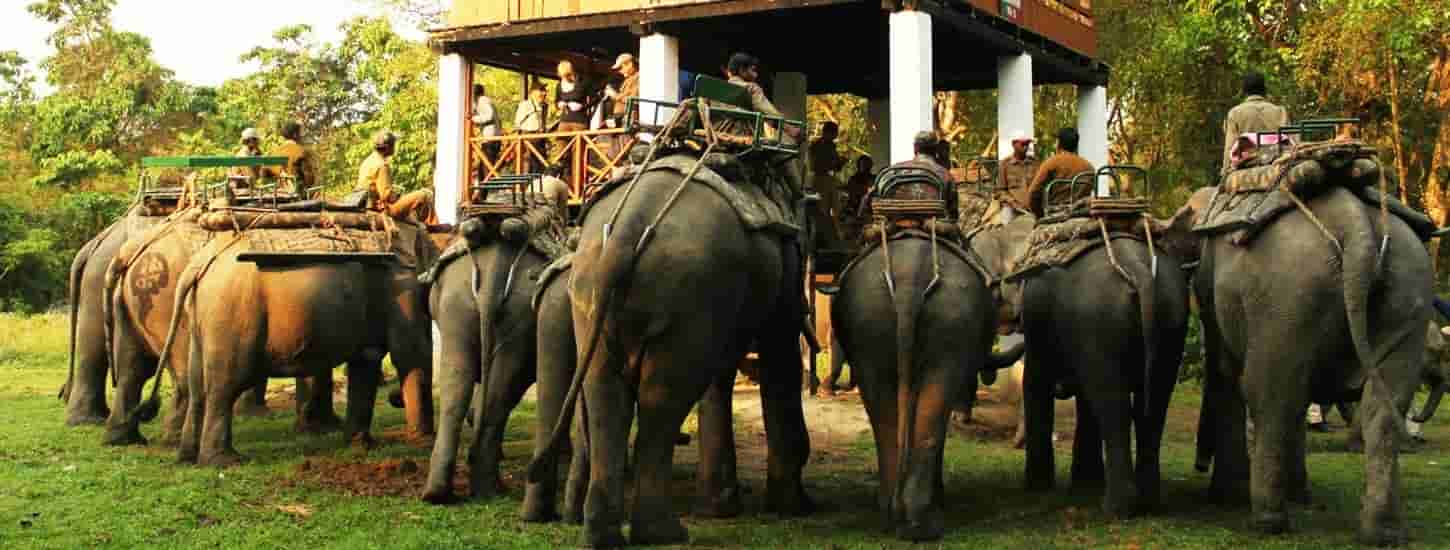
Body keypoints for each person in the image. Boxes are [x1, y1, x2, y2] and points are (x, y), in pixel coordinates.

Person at [1222, 72, 1289, 176]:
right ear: (1264, 90)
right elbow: (1290, 143)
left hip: (1245, 168)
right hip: (1276, 166)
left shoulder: (1235, 113)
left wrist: (1225, 172)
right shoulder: (1280, 111)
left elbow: (1229, 147)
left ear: (1244, 91)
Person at [357, 130, 433, 222]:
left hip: (368, 204)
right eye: (393, 144)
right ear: (387, 147)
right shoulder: (382, 165)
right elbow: (386, 196)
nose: (395, 147)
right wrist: (399, 196)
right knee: (424, 195)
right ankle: (433, 226)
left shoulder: (368, 160)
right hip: (383, 209)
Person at [1026, 127, 1096, 218]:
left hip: (1056, 213)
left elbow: (1034, 192)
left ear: (1058, 143)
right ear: (1076, 145)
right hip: (1082, 213)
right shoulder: (1089, 167)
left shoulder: (1051, 163)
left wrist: (1039, 214)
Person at [260, 122, 314, 196]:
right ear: (295, 134)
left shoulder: (274, 151)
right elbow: (308, 177)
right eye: (300, 133)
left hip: (279, 193)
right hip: (297, 193)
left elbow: (264, 172)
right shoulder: (301, 151)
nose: (301, 136)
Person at [997, 130, 1039, 213]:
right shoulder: (1005, 164)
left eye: (1027, 144)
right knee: (1006, 218)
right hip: (1012, 208)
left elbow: (1040, 186)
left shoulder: (1034, 163)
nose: (1026, 147)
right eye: (1023, 144)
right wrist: (1012, 202)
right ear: (1013, 144)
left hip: (1033, 207)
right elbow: (1000, 190)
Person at [514, 83, 549, 173]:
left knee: (540, 164)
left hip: (540, 138)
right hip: (528, 137)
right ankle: (525, 181)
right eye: (541, 90)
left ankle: (539, 180)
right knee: (528, 164)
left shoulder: (544, 106)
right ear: (532, 92)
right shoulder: (525, 105)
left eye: (545, 91)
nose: (544, 93)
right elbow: (518, 123)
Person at [472, 84, 501, 179]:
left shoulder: (482, 100)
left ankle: (487, 186)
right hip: (492, 137)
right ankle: (484, 186)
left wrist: (473, 119)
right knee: (485, 165)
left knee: (487, 166)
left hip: (491, 138)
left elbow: (489, 115)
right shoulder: (482, 101)